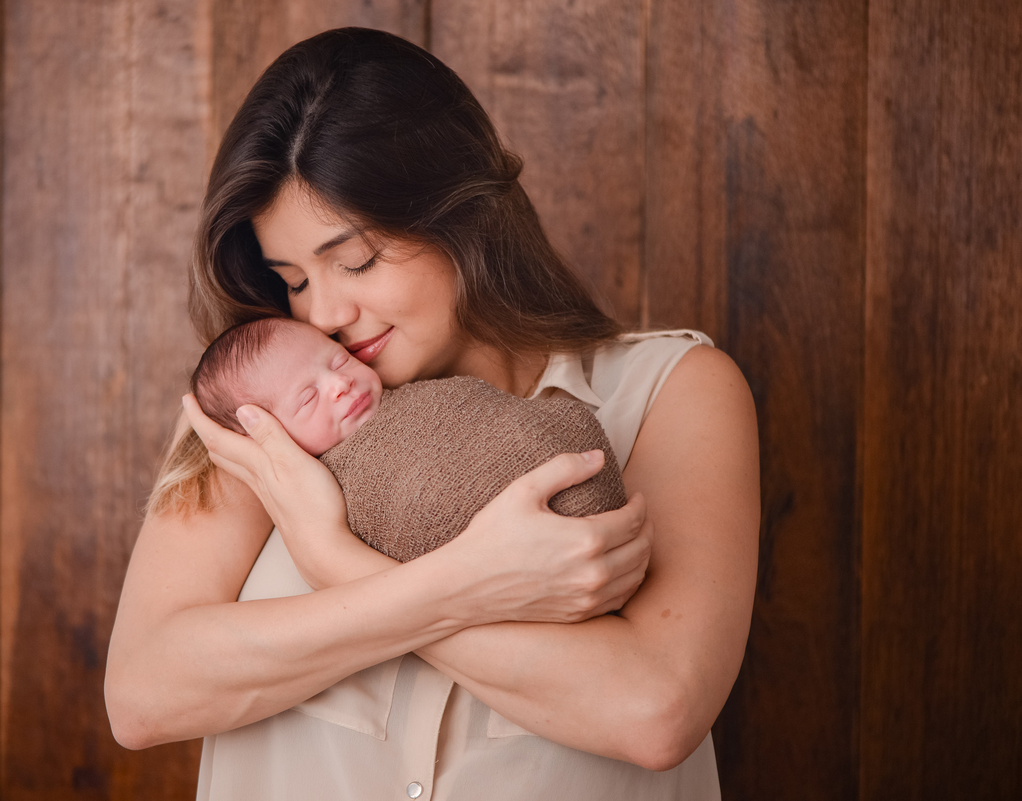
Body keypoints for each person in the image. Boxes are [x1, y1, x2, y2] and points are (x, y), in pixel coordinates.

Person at [104, 27, 759, 801]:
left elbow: (655, 711)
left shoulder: (669, 391)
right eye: (294, 280)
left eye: (355, 261)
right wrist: (466, 584)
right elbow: (143, 693)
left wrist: (336, 560)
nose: (325, 314)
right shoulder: (270, 410)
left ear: (459, 210)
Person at [190, 316, 627, 562]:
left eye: (339, 361)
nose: (340, 384)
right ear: (269, 436)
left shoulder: (415, 394)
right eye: (308, 399)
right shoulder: (326, 488)